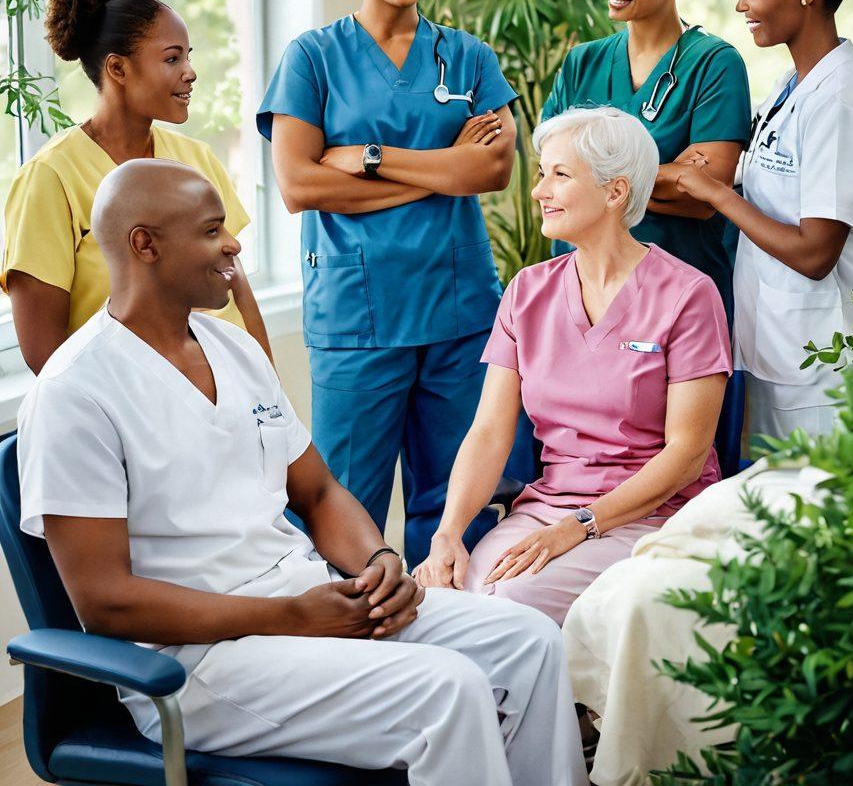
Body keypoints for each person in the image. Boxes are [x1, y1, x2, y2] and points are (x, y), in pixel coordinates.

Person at [17, 159, 587, 786]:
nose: (233, 242)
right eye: (211, 231)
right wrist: (291, 616)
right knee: (448, 691)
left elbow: (316, 492)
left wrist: (377, 564)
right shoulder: (77, 390)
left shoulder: (231, 348)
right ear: (144, 244)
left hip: (310, 601)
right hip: (200, 661)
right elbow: (105, 604)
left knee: (531, 643)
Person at [257, 0, 534, 567]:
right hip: (360, 319)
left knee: (458, 503)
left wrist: (373, 161)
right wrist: (444, 168)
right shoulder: (313, 58)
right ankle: (353, 657)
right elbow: (299, 185)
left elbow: (494, 171)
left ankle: (462, 647)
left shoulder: (467, 57)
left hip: (458, 310)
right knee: (346, 501)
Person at [415, 107, 731, 625]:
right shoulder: (527, 291)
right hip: (548, 507)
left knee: (513, 606)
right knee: (445, 599)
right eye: (543, 173)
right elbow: (491, 430)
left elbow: (687, 454)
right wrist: (448, 532)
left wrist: (581, 525)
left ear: (615, 192)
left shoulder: (688, 295)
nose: (539, 190)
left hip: (650, 515)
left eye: (560, 175)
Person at [675, 0, 853, 441]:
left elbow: (816, 253)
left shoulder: (838, 102)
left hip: (824, 368)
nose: (741, 5)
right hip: (779, 345)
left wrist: (715, 193)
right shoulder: (793, 84)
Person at [1, 0, 270, 371]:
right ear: (117, 69)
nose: (190, 72)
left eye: (188, 56)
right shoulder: (51, 177)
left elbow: (238, 289)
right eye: (172, 58)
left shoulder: (196, 159)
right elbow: (46, 356)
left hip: (229, 390)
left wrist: (269, 394)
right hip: (130, 408)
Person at [542, 0, 751, 322]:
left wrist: (590, 179)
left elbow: (706, 195)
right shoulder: (583, 62)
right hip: (581, 289)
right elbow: (552, 177)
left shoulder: (714, 64)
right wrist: (667, 174)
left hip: (677, 293)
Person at [562, 458, 827, 786]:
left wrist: (581, 523)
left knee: (643, 599)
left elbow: (685, 455)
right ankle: (605, 744)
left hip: (653, 503)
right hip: (552, 501)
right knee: (636, 595)